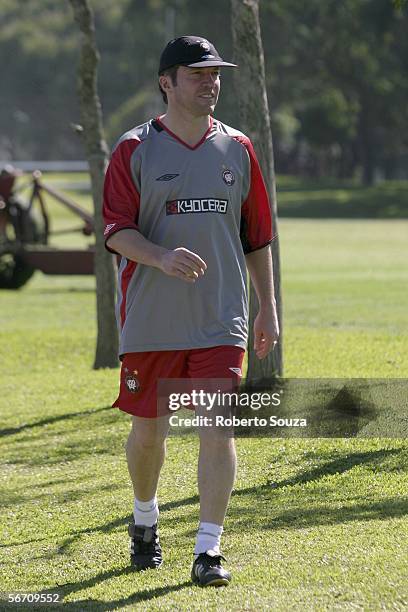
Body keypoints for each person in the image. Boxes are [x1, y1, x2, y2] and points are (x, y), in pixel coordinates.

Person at [103, 35, 279, 587]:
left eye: (215, 74)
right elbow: (115, 231)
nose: (211, 83)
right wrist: (160, 256)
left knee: (216, 429)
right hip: (152, 321)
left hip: (219, 319)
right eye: (198, 74)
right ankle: (145, 518)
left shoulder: (239, 149)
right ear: (167, 83)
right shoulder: (134, 149)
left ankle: (208, 550)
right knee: (149, 435)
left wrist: (267, 307)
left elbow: (258, 237)